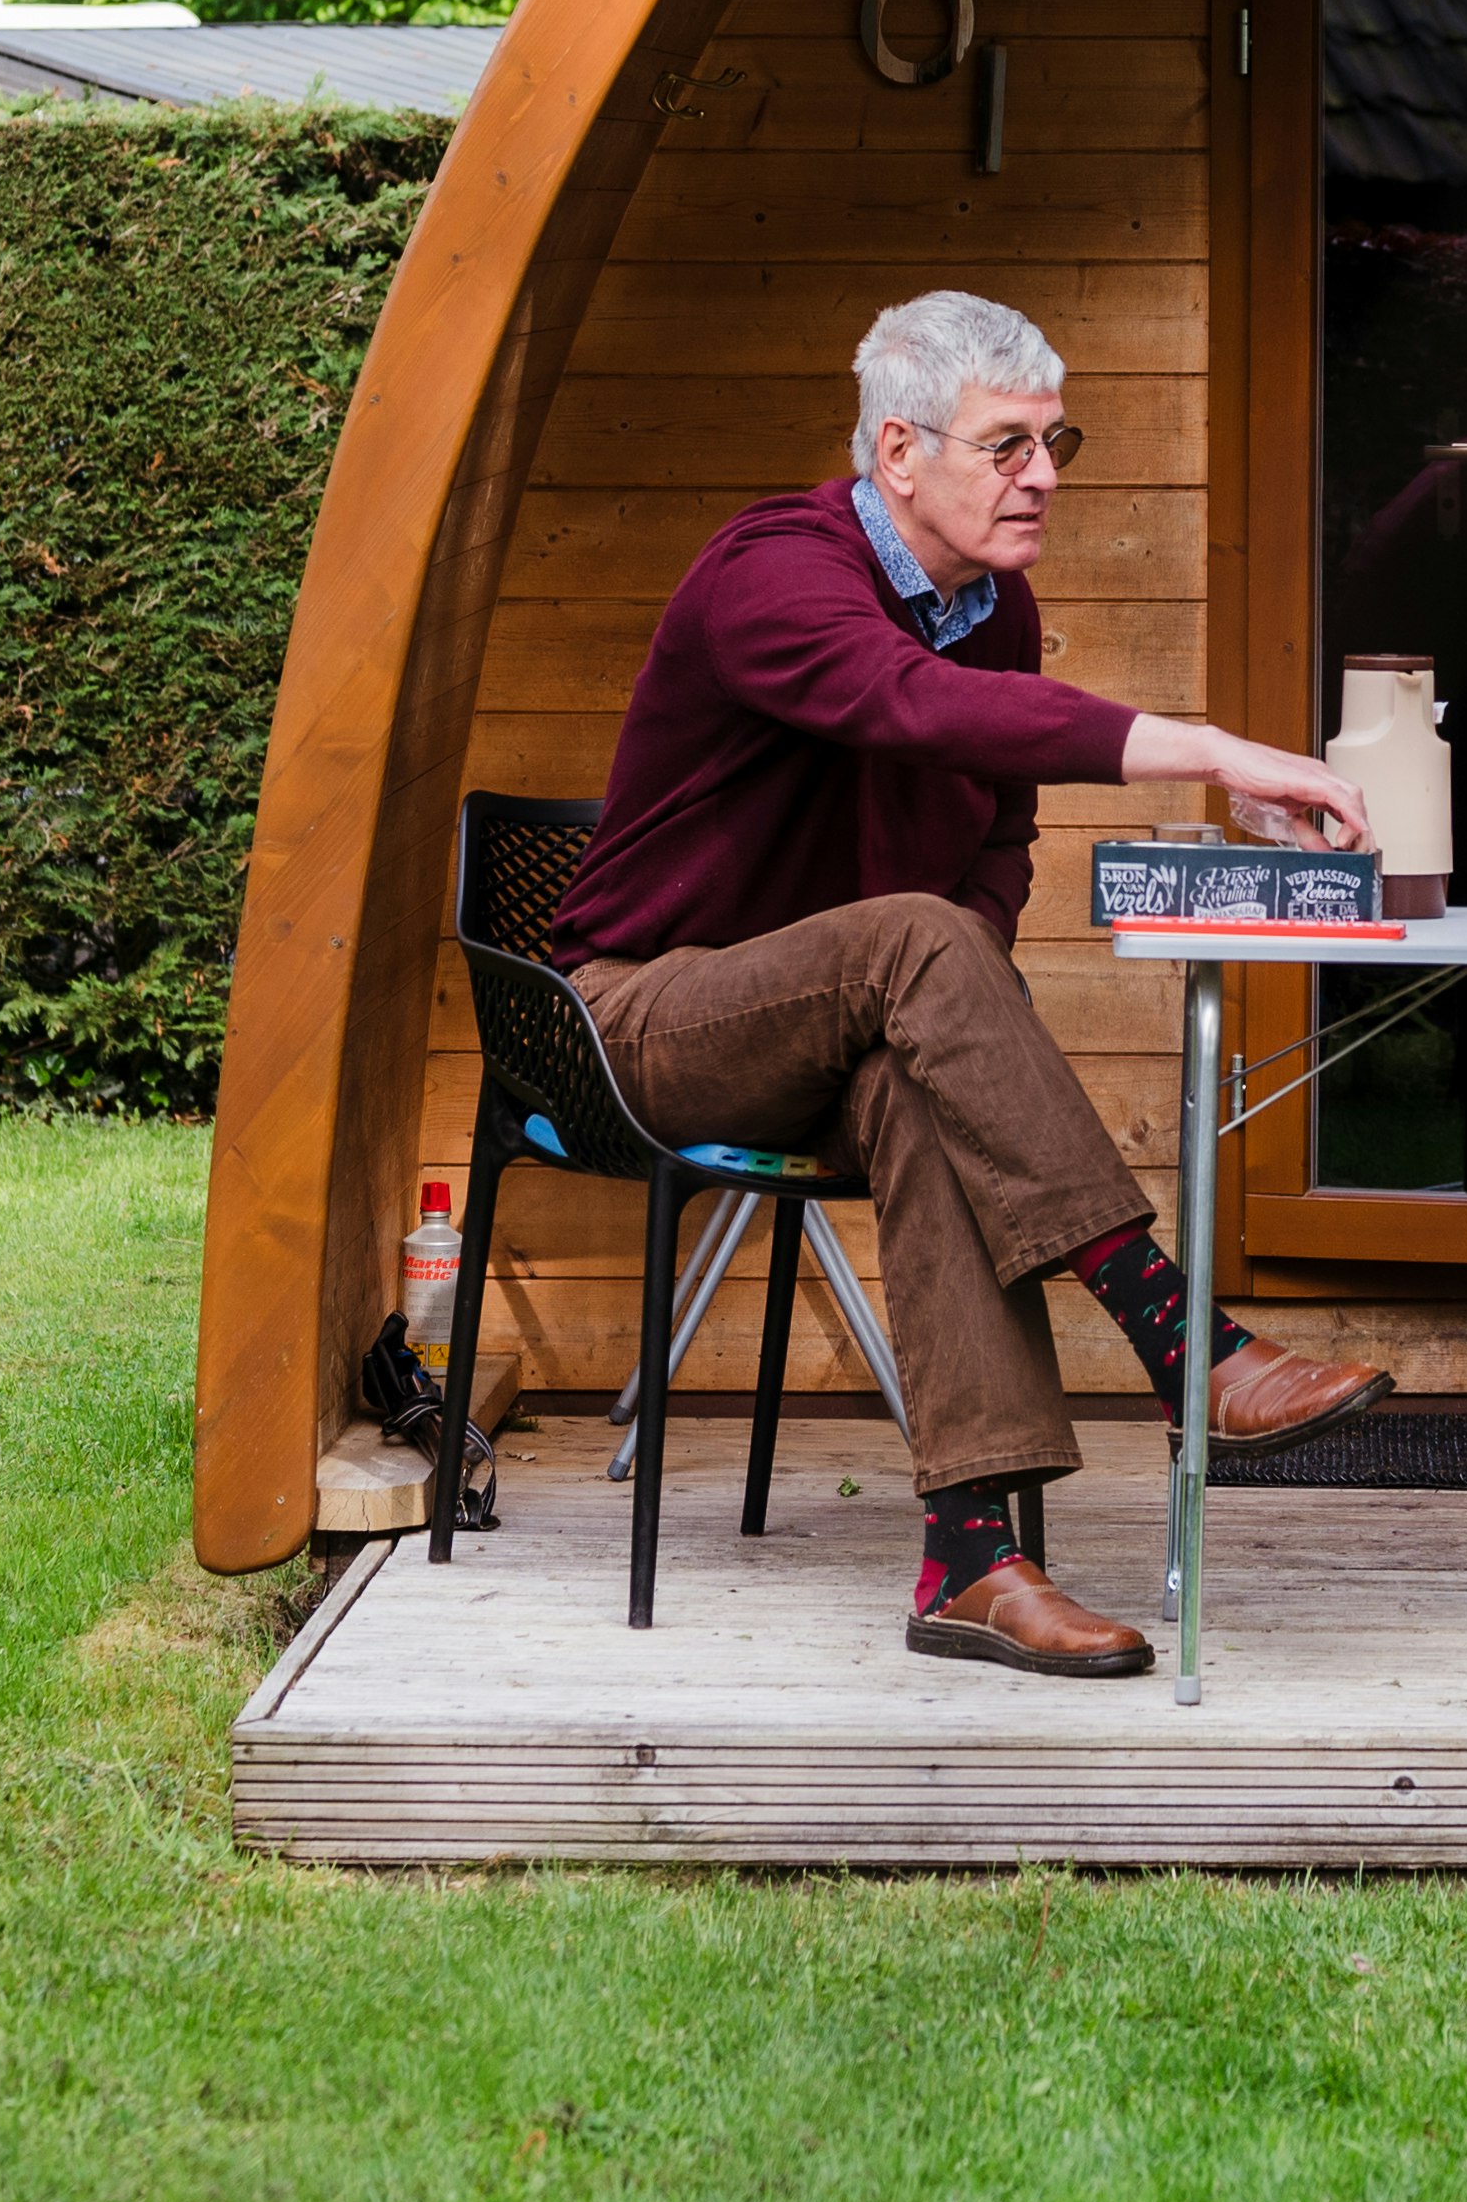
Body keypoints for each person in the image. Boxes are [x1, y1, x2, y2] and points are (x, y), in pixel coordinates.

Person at [547, 290, 1398, 1677]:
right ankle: (1184, 1342)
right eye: (1008, 446)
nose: (1046, 475)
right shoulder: (772, 570)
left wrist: (965, 998)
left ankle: (972, 1558)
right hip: (643, 1012)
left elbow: (999, 825)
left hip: (845, 1023)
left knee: (921, 1046)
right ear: (899, 451)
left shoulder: (998, 612)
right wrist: (1214, 752)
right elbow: (912, 706)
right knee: (916, 938)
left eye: (1054, 440)